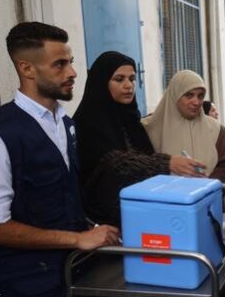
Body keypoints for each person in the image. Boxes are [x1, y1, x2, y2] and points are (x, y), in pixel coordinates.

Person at [0, 22, 119, 297]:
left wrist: (87, 227)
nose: (71, 73)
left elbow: (55, 197)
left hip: (68, 276)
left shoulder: (63, 123)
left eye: (70, 62)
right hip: (28, 294)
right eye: (59, 65)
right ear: (27, 69)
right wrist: (76, 239)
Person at [73, 51, 204, 227]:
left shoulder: (130, 119)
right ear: (102, 82)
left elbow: (143, 158)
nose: (128, 86)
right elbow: (113, 164)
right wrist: (167, 163)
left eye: (132, 79)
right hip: (104, 224)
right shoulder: (88, 121)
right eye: (119, 79)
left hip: (137, 212)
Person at [143, 70, 225, 184]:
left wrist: (207, 184)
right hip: (163, 197)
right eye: (189, 95)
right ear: (175, 96)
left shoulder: (216, 129)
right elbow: (141, 166)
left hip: (207, 196)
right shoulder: (149, 128)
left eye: (200, 96)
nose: (196, 102)